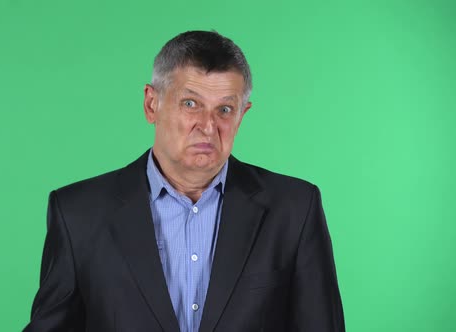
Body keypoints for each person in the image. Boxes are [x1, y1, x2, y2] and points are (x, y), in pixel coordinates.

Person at [23, 30, 345, 332]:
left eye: (224, 109)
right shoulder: (78, 214)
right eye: (190, 104)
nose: (207, 125)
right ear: (152, 104)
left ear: (242, 114)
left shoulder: (294, 209)